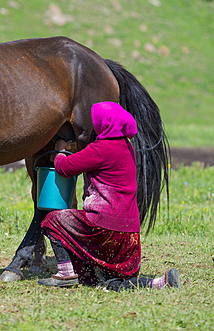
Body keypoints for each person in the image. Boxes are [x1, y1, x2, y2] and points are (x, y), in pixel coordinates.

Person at [38, 102, 180, 291]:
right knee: (113, 283)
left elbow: (66, 168)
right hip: (129, 236)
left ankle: (65, 274)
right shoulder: (127, 147)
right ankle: (159, 282)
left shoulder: (100, 148)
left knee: (52, 220)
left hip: (103, 228)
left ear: (102, 124)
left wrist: (60, 151)